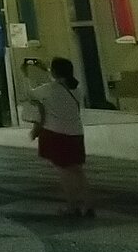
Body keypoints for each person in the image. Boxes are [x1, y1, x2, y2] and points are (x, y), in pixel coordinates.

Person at [26, 57, 92, 217]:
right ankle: (88, 204)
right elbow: (60, 84)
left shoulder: (49, 89)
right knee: (77, 170)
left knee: (63, 172)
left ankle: (71, 206)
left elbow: (29, 94)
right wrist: (47, 70)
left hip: (55, 133)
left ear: (55, 71)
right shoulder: (77, 90)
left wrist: (25, 74)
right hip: (76, 133)